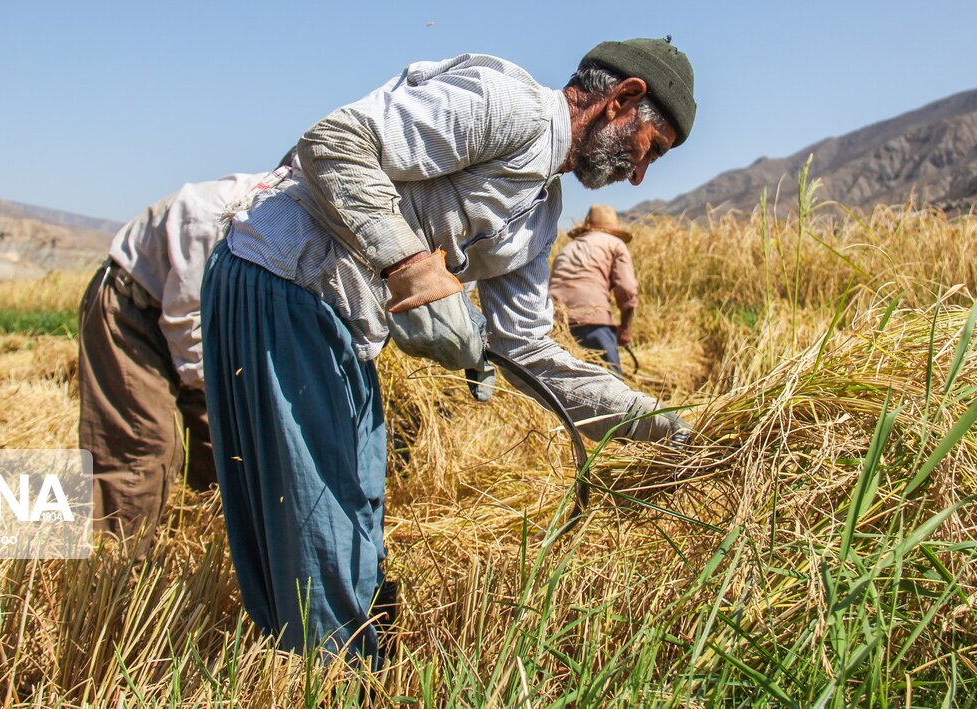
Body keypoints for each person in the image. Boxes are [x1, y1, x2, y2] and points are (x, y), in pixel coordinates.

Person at [201, 37, 697, 663]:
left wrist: (652, 422)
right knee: (319, 524)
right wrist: (410, 265)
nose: (640, 172)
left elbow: (524, 344)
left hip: (342, 320)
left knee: (358, 504)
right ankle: (327, 678)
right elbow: (332, 143)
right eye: (650, 147)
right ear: (623, 100)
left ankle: (349, 660)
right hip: (284, 279)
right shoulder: (507, 101)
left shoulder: (542, 212)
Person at [78, 165, 289, 558]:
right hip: (132, 306)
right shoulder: (217, 215)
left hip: (207, 322)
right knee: (143, 445)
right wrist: (229, 397)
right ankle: (116, 571)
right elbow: (186, 316)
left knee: (229, 450)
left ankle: (220, 557)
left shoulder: (293, 226)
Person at [549, 205, 639, 375]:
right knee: (610, 384)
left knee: (564, 381)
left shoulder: (569, 248)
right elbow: (627, 288)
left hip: (556, 321)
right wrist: (626, 328)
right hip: (592, 319)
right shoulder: (615, 244)